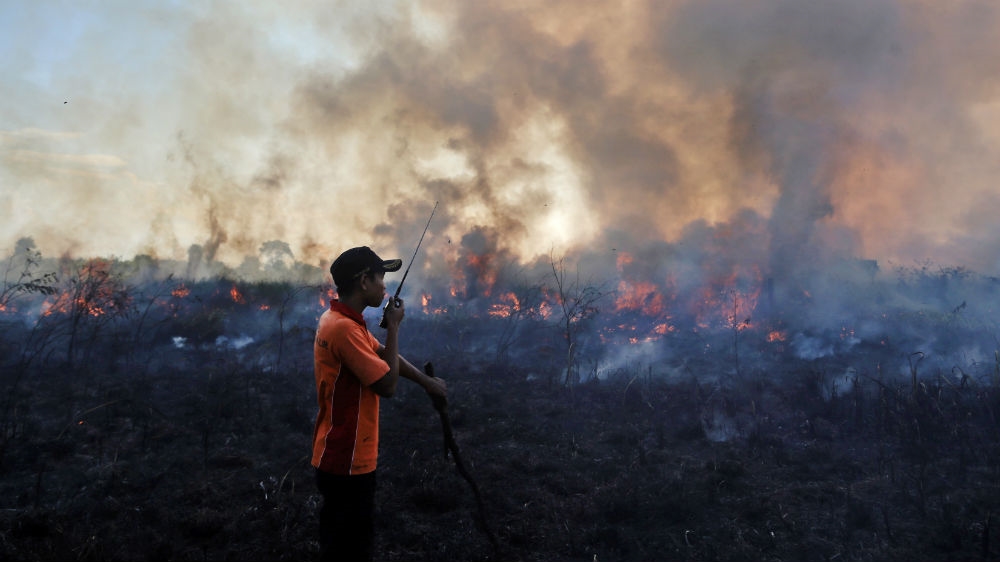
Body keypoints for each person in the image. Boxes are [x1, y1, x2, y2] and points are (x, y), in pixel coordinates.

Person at [311, 245, 447, 562]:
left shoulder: (339, 320)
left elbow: (383, 354)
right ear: (363, 282)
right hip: (347, 459)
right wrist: (395, 326)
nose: (385, 286)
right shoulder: (345, 330)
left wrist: (427, 383)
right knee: (352, 549)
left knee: (339, 543)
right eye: (380, 278)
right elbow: (387, 385)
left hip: (334, 451)